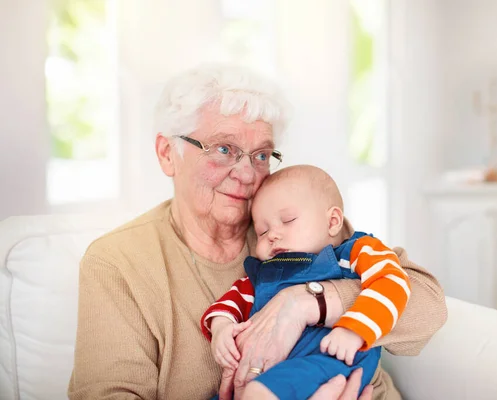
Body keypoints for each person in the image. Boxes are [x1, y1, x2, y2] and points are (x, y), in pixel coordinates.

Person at [68, 64, 448, 400]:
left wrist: (305, 303)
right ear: (168, 153)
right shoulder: (117, 263)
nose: (248, 174)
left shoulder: (295, 227)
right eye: (223, 149)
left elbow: (427, 308)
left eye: (262, 155)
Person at [201, 165, 412, 399]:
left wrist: (355, 330)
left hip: (332, 357)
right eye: (262, 231)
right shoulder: (265, 273)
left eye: (288, 220)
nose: (272, 235)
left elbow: (391, 282)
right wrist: (221, 328)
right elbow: (232, 300)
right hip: (269, 371)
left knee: (262, 391)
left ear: (333, 221)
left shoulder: (357, 252)